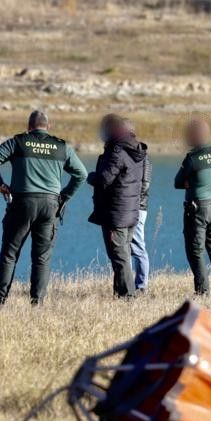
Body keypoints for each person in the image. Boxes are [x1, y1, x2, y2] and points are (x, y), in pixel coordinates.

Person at [0, 110, 87, 306]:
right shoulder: (61, 146)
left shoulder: (18, 141)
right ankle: (37, 303)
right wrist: (65, 196)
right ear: (49, 127)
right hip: (50, 205)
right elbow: (81, 174)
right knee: (41, 257)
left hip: (22, 203)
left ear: (29, 126)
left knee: (9, 254)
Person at [87, 114, 147, 298]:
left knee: (119, 257)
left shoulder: (117, 151)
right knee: (123, 255)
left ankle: (128, 297)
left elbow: (105, 179)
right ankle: (119, 294)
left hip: (116, 213)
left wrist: (91, 177)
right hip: (130, 211)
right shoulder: (136, 151)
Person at [175, 118, 211, 297]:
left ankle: (202, 292)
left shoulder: (192, 158)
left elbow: (177, 182)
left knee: (195, 251)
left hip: (198, 209)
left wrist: (190, 181)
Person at [125, 119, 152, 293]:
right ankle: (133, 285)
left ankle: (141, 286)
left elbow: (144, 184)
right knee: (131, 247)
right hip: (139, 205)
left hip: (136, 206)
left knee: (137, 246)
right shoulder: (145, 156)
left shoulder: (138, 157)